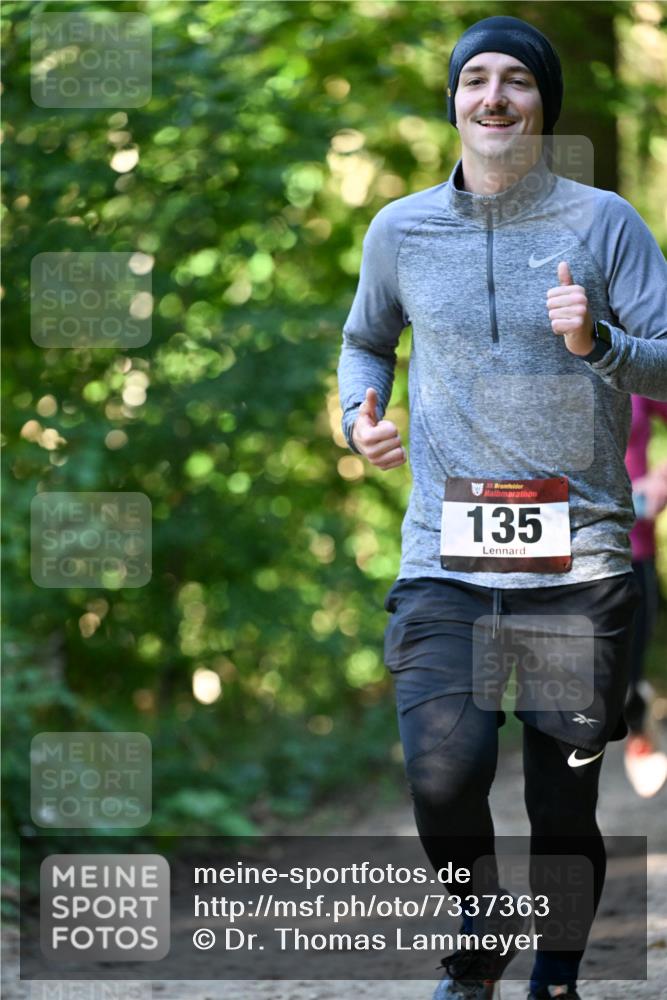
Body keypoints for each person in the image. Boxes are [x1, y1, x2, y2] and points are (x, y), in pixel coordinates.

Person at [337, 14, 667, 1000]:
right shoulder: (400, 228)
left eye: (514, 81)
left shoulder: (604, 223)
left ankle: (556, 974)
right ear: (454, 101)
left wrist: (599, 341)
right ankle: (473, 950)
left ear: (540, 105)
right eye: (473, 78)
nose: (492, 96)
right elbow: (365, 341)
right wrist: (360, 417)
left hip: (578, 563)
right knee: (443, 774)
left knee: (560, 800)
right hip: (444, 552)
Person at [624, 395, 667, 798]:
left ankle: (638, 725)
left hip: (632, 550)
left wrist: (661, 480)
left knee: (625, 677)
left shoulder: (633, 342)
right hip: (555, 556)